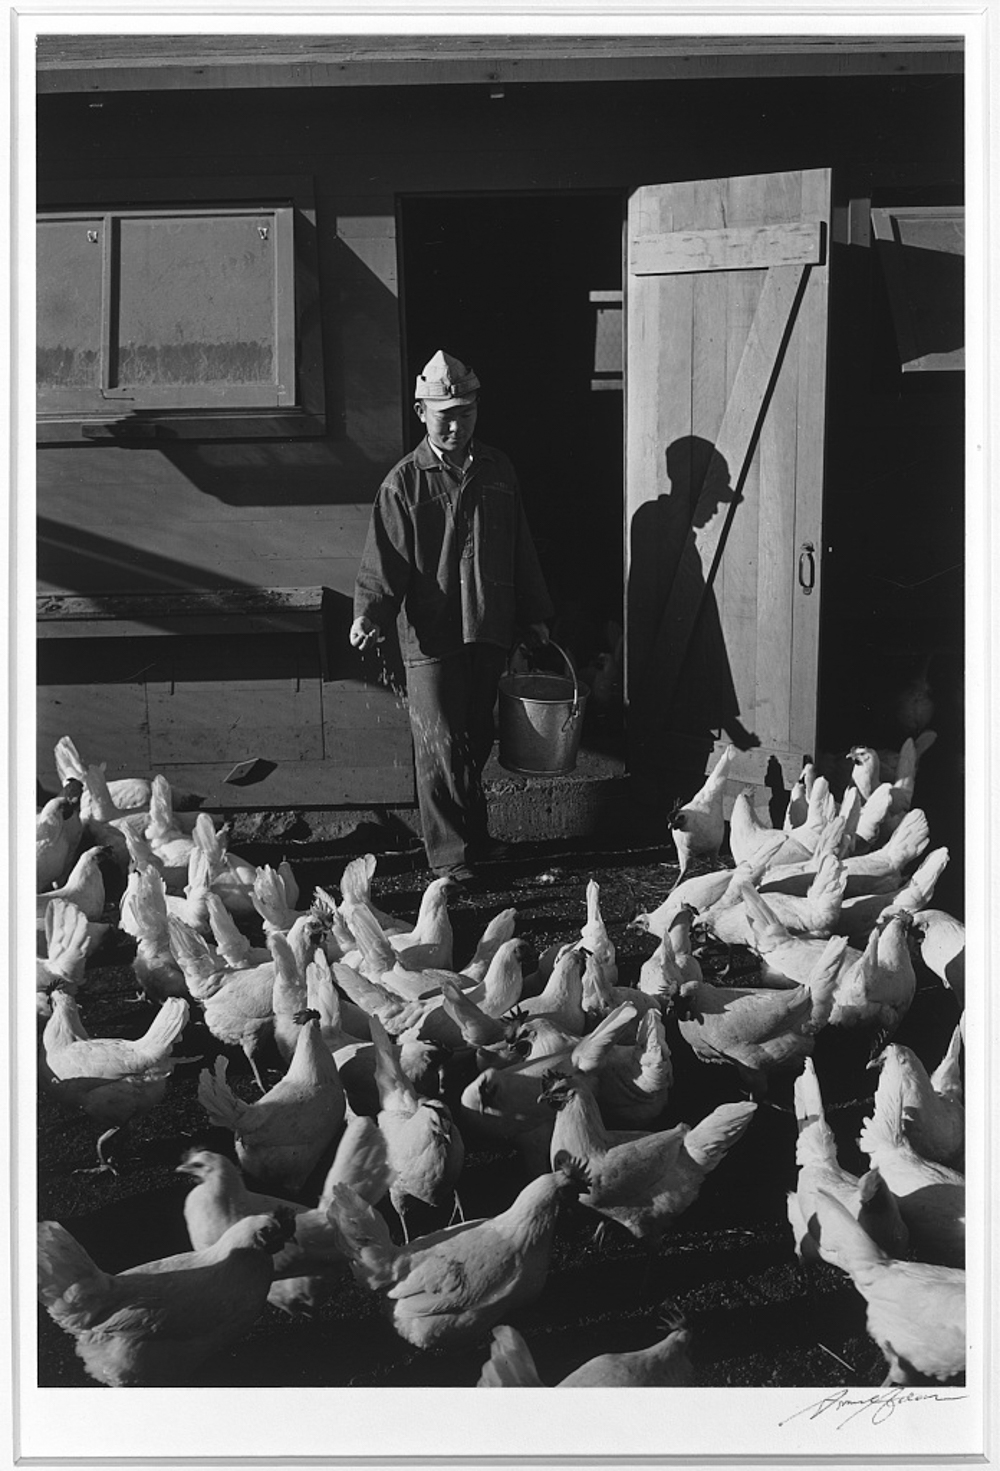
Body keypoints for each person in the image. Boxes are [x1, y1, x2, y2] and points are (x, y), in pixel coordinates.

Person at [350, 350, 554, 884]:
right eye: (446, 414)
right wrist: (369, 614)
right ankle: (448, 856)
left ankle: (476, 841)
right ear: (422, 412)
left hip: (488, 625)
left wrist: (533, 615)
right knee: (438, 746)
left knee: (474, 740)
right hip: (433, 637)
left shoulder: (498, 471)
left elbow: (520, 548)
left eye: (466, 411)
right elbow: (383, 561)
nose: (457, 424)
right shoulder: (403, 484)